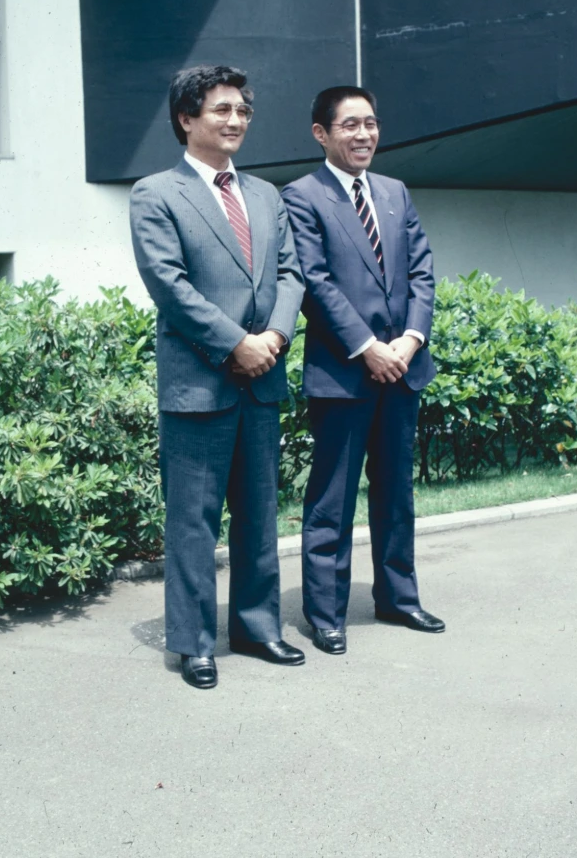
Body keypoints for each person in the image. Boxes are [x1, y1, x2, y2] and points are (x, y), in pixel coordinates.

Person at [130, 65, 305, 688]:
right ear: (186, 117)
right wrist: (236, 343)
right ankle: (194, 642)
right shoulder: (155, 193)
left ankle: (258, 628)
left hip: (261, 379)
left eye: (243, 112)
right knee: (193, 521)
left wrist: (274, 340)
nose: (236, 121)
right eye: (222, 110)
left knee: (259, 513)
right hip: (199, 383)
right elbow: (169, 286)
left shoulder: (265, 195)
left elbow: (291, 274)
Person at [281, 85, 445, 655]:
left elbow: (422, 271)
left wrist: (408, 341)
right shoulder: (300, 196)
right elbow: (314, 282)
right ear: (321, 133)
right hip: (344, 374)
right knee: (332, 498)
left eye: (371, 123)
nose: (364, 135)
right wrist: (368, 348)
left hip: (402, 370)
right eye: (350, 125)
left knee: (396, 494)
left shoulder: (395, 192)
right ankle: (325, 614)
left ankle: (398, 598)